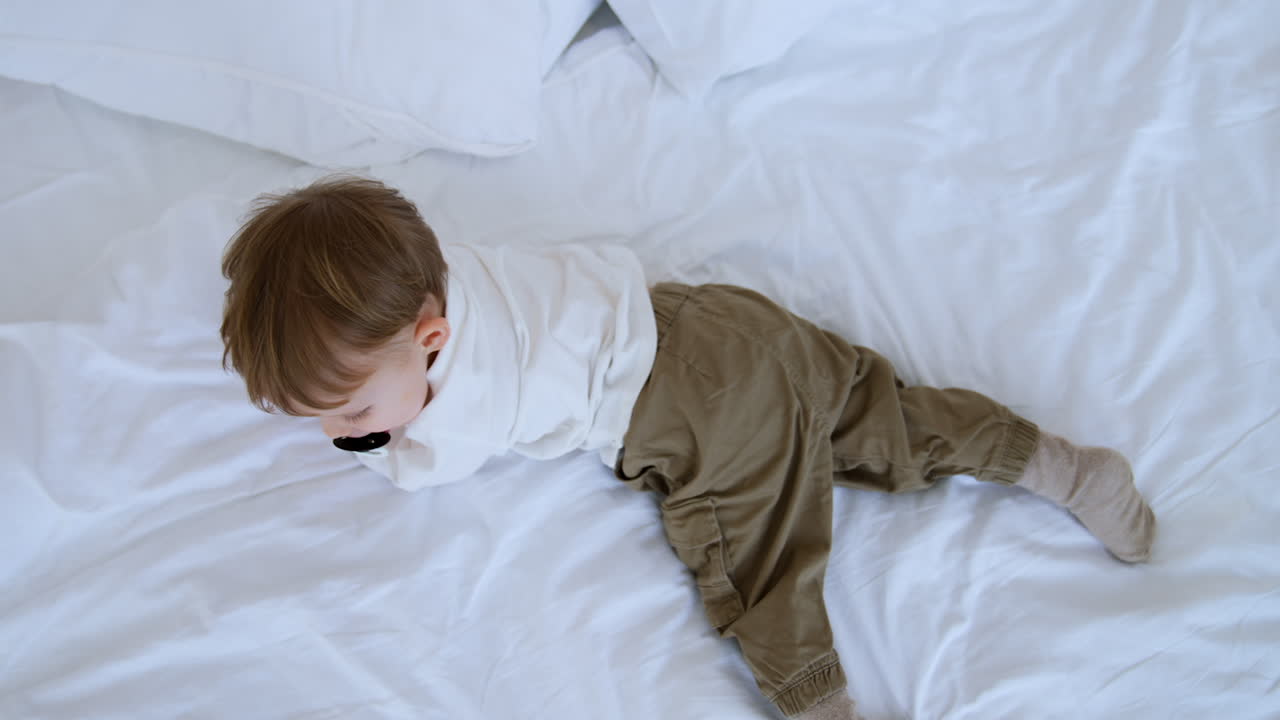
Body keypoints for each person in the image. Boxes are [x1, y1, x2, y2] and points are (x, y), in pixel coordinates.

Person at [219, 176, 1156, 720]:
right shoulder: (448, 271)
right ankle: (1060, 466)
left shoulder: (460, 407)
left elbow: (422, 469)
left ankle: (820, 703)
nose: (342, 430)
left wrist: (381, 446)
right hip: (721, 323)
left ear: (429, 343)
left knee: (762, 568)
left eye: (348, 409)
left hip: (691, 417)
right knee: (887, 416)